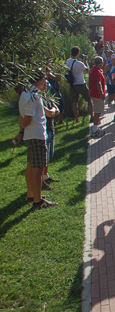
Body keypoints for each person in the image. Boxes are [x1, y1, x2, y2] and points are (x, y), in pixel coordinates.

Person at [18, 70, 58, 209]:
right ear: (40, 80)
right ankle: (37, 200)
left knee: (31, 166)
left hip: (32, 135)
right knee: (37, 170)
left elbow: (28, 115)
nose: (45, 83)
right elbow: (27, 118)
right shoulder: (33, 96)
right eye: (44, 79)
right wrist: (23, 126)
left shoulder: (27, 92)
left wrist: (52, 112)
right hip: (36, 135)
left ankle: (32, 193)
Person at [66, 46, 93, 123]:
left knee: (75, 102)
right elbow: (88, 70)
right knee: (89, 100)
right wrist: (85, 61)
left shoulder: (68, 61)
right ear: (78, 53)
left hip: (72, 84)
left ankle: (77, 119)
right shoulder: (80, 63)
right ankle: (92, 116)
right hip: (81, 83)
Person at [88, 56, 106, 138]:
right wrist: (101, 93)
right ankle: (95, 130)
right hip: (97, 95)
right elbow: (98, 83)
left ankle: (95, 127)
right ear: (100, 63)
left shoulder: (94, 69)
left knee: (98, 111)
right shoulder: (96, 71)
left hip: (94, 93)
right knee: (98, 111)